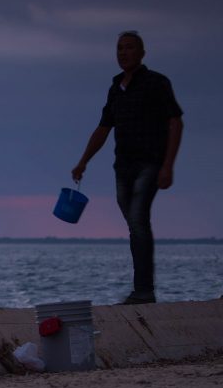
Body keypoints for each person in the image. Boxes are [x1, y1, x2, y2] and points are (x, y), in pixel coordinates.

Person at [71, 30, 183, 305]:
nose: (123, 53)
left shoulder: (156, 83)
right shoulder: (115, 88)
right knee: (135, 226)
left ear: (142, 53)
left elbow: (175, 122)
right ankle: (142, 289)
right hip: (123, 166)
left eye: (129, 48)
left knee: (138, 220)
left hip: (150, 163)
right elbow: (103, 128)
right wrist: (83, 161)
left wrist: (168, 165)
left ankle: (144, 291)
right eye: (119, 48)